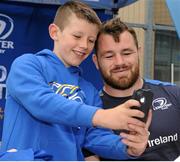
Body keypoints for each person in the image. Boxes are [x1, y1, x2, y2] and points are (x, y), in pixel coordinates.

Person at [0, 1, 150, 161]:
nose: (84, 45)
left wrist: (129, 147)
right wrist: (102, 116)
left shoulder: (89, 90)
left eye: (91, 40)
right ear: (54, 32)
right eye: (77, 36)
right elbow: (42, 103)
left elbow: (95, 138)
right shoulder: (28, 65)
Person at [92, 16, 180, 161]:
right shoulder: (92, 112)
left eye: (126, 53)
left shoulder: (173, 94)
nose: (119, 62)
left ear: (138, 53)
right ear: (96, 62)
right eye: (109, 56)